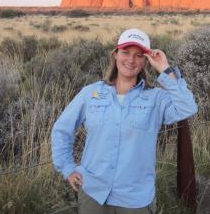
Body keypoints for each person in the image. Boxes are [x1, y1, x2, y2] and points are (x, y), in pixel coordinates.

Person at [51, 28, 198, 214]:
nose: (131, 60)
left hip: (135, 199)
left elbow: (188, 107)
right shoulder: (91, 93)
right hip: (93, 194)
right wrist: (67, 167)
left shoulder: (156, 98)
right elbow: (61, 130)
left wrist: (164, 68)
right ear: (115, 54)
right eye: (125, 53)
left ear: (145, 61)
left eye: (138, 55)